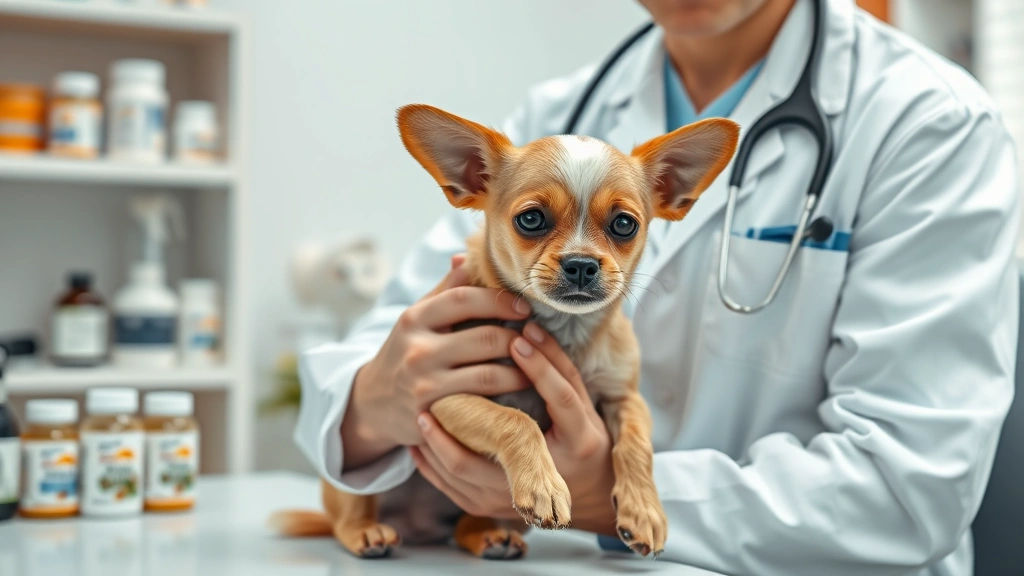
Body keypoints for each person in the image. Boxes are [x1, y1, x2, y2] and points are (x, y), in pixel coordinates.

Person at [293, 0, 1021, 574]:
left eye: (618, 228)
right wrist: (374, 399)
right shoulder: (559, 117)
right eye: (537, 220)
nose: (578, 255)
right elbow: (372, 354)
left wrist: (607, 493)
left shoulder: (932, 124)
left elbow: (913, 488)